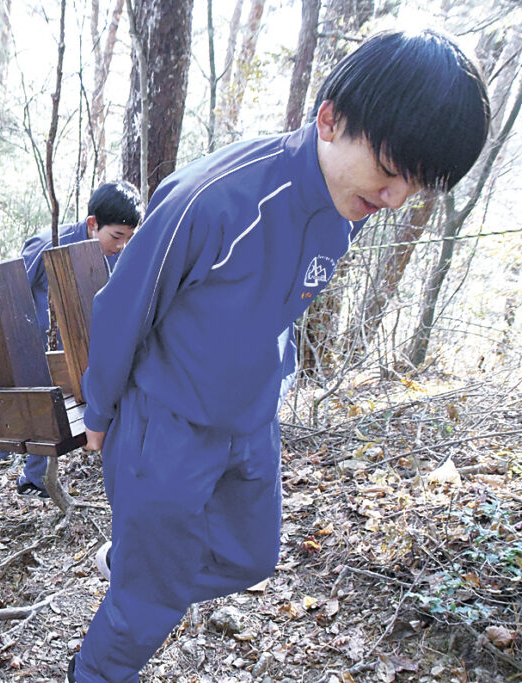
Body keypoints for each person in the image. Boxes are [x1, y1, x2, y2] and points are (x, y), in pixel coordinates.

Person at [65, 30, 490, 682]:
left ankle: (143, 562)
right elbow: (125, 305)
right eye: (388, 169)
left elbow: (277, 303)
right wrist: (98, 413)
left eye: (416, 184)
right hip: (168, 426)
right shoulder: (214, 198)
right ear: (330, 119)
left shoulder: (351, 206)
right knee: (146, 606)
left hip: (250, 419)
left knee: (252, 555)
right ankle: (104, 655)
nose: (396, 198)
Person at [0, 181, 143, 497]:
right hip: (25, 346)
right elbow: (5, 293)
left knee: (71, 415)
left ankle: (33, 479)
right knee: (32, 416)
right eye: (117, 236)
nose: (121, 245)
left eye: (128, 238)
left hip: (74, 349)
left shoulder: (114, 256)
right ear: (93, 224)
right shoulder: (47, 243)